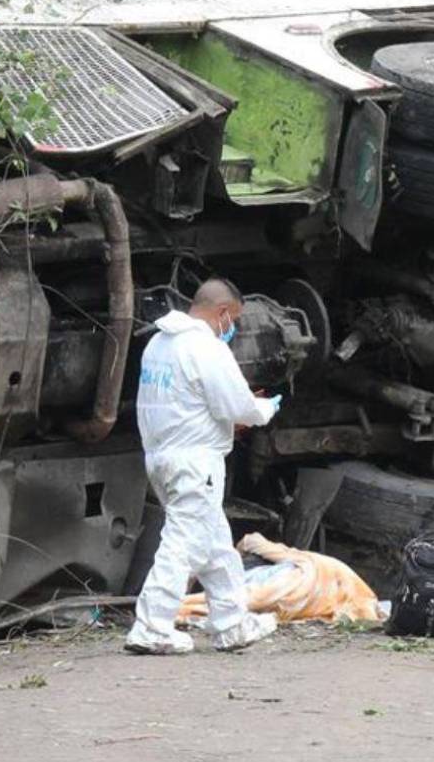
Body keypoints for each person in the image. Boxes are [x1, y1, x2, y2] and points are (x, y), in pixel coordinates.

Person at [125, 277, 282, 655]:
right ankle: (150, 627)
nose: (233, 328)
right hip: (196, 462)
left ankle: (232, 624)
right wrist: (266, 408)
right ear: (222, 312)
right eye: (234, 320)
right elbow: (238, 406)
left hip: (161, 457)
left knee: (215, 547)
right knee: (182, 544)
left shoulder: (159, 344)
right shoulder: (206, 348)